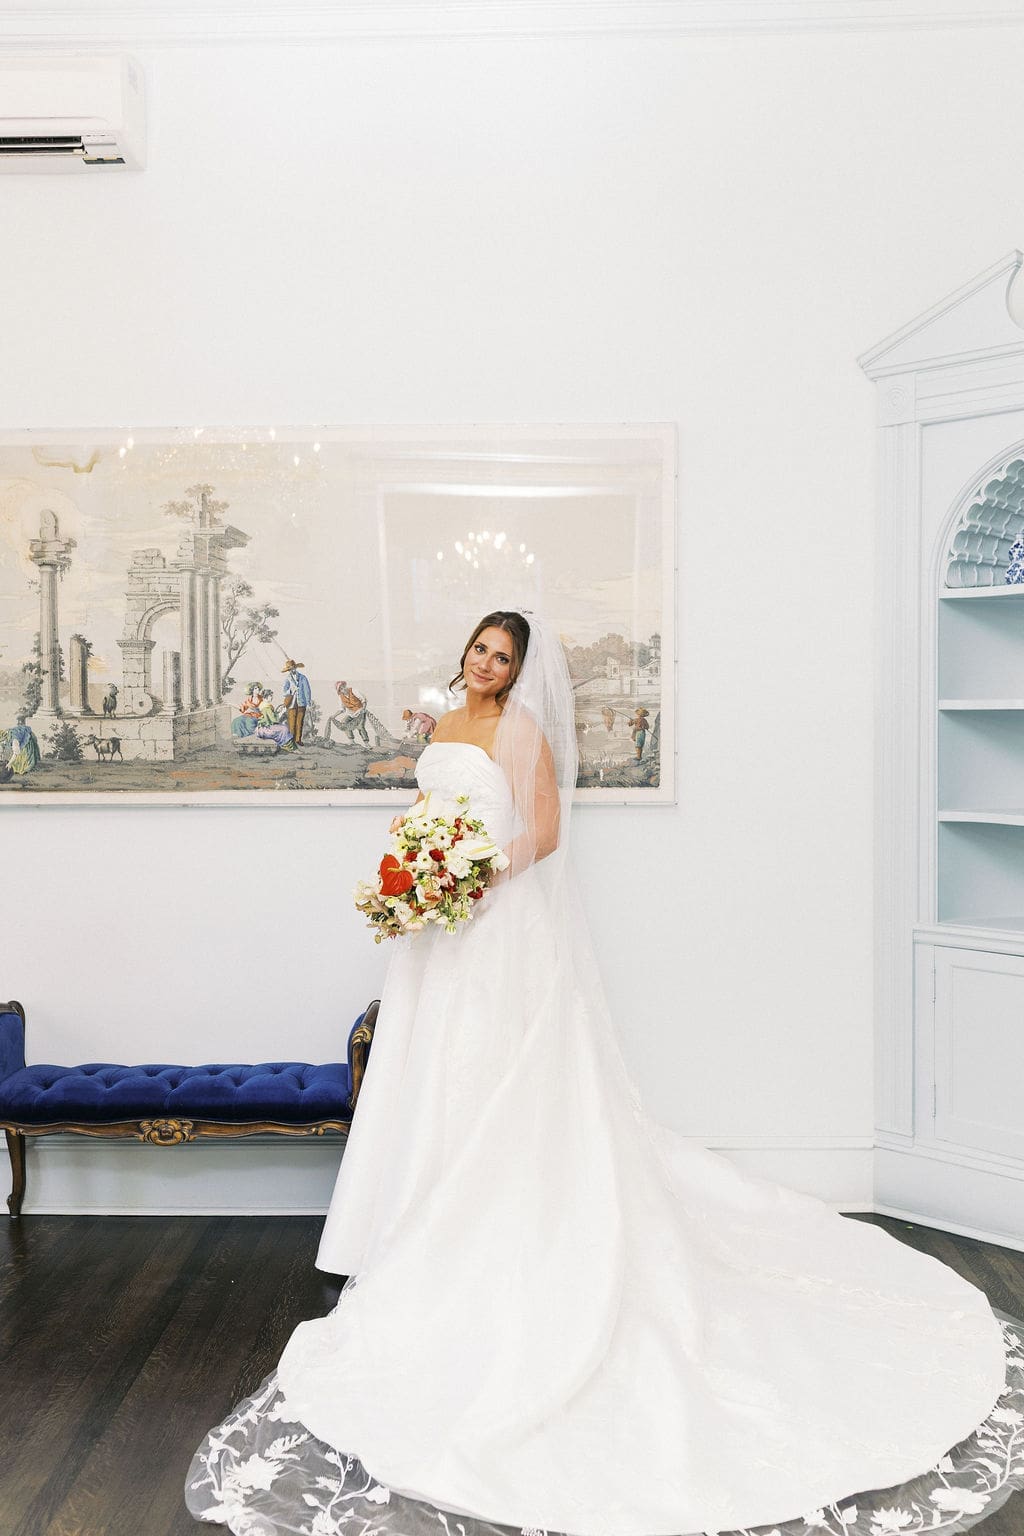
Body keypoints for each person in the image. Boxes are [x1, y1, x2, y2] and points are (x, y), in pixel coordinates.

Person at [186, 609, 1017, 1536]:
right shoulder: (446, 722)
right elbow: (432, 808)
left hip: (495, 926)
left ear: (521, 671)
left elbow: (541, 831)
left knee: (496, 1075)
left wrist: (466, 875)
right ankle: (408, 1232)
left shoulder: (521, 727)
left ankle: (495, 1233)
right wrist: (411, 867)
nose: (486, 663)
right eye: (479, 648)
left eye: (503, 657)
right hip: (437, 934)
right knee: (432, 1069)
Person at [281, 659, 311, 745]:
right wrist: (291, 690)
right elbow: (284, 691)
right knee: (291, 722)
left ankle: (298, 740)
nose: (292, 670)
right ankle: (291, 740)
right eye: (290, 669)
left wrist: (308, 703)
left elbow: (307, 691)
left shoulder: (303, 678)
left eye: (293, 668)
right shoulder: (288, 679)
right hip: (291, 703)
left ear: (295, 667)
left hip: (302, 703)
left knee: (299, 722)